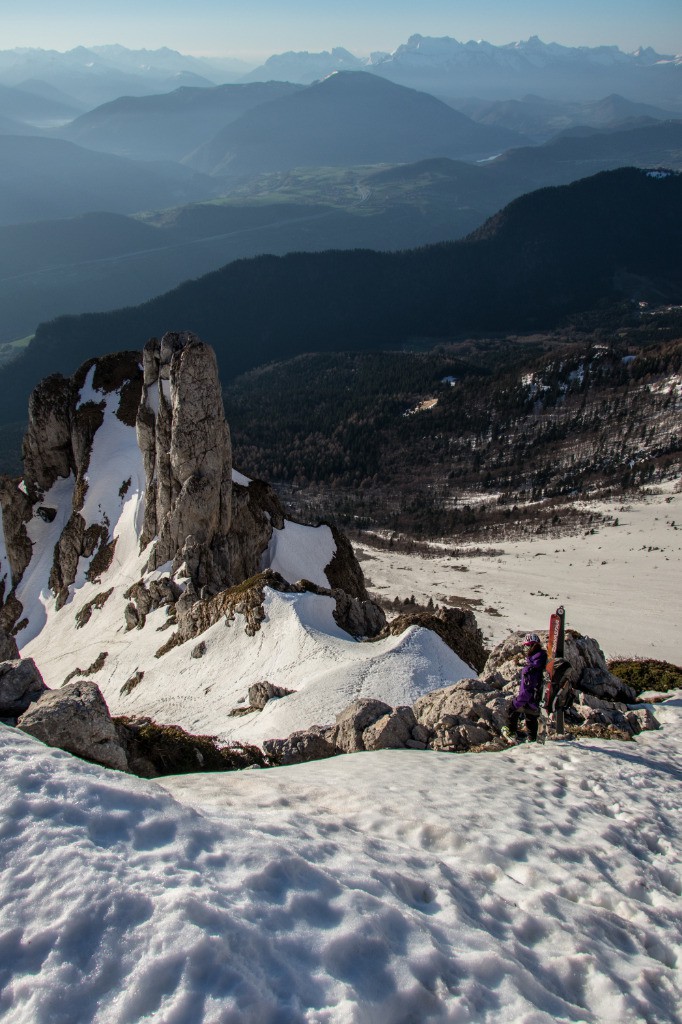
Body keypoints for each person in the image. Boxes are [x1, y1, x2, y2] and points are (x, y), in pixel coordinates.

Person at [502, 633, 548, 743]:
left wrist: (517, 702)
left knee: (512, 709)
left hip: (529, 700)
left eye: (526, 646)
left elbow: (526, 690)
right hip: (537, 702)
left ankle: (511, 733)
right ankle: (532, 740)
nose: (525, 649)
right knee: (531, 718)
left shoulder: (531, 668)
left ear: (531, 646)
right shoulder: (542, 662)